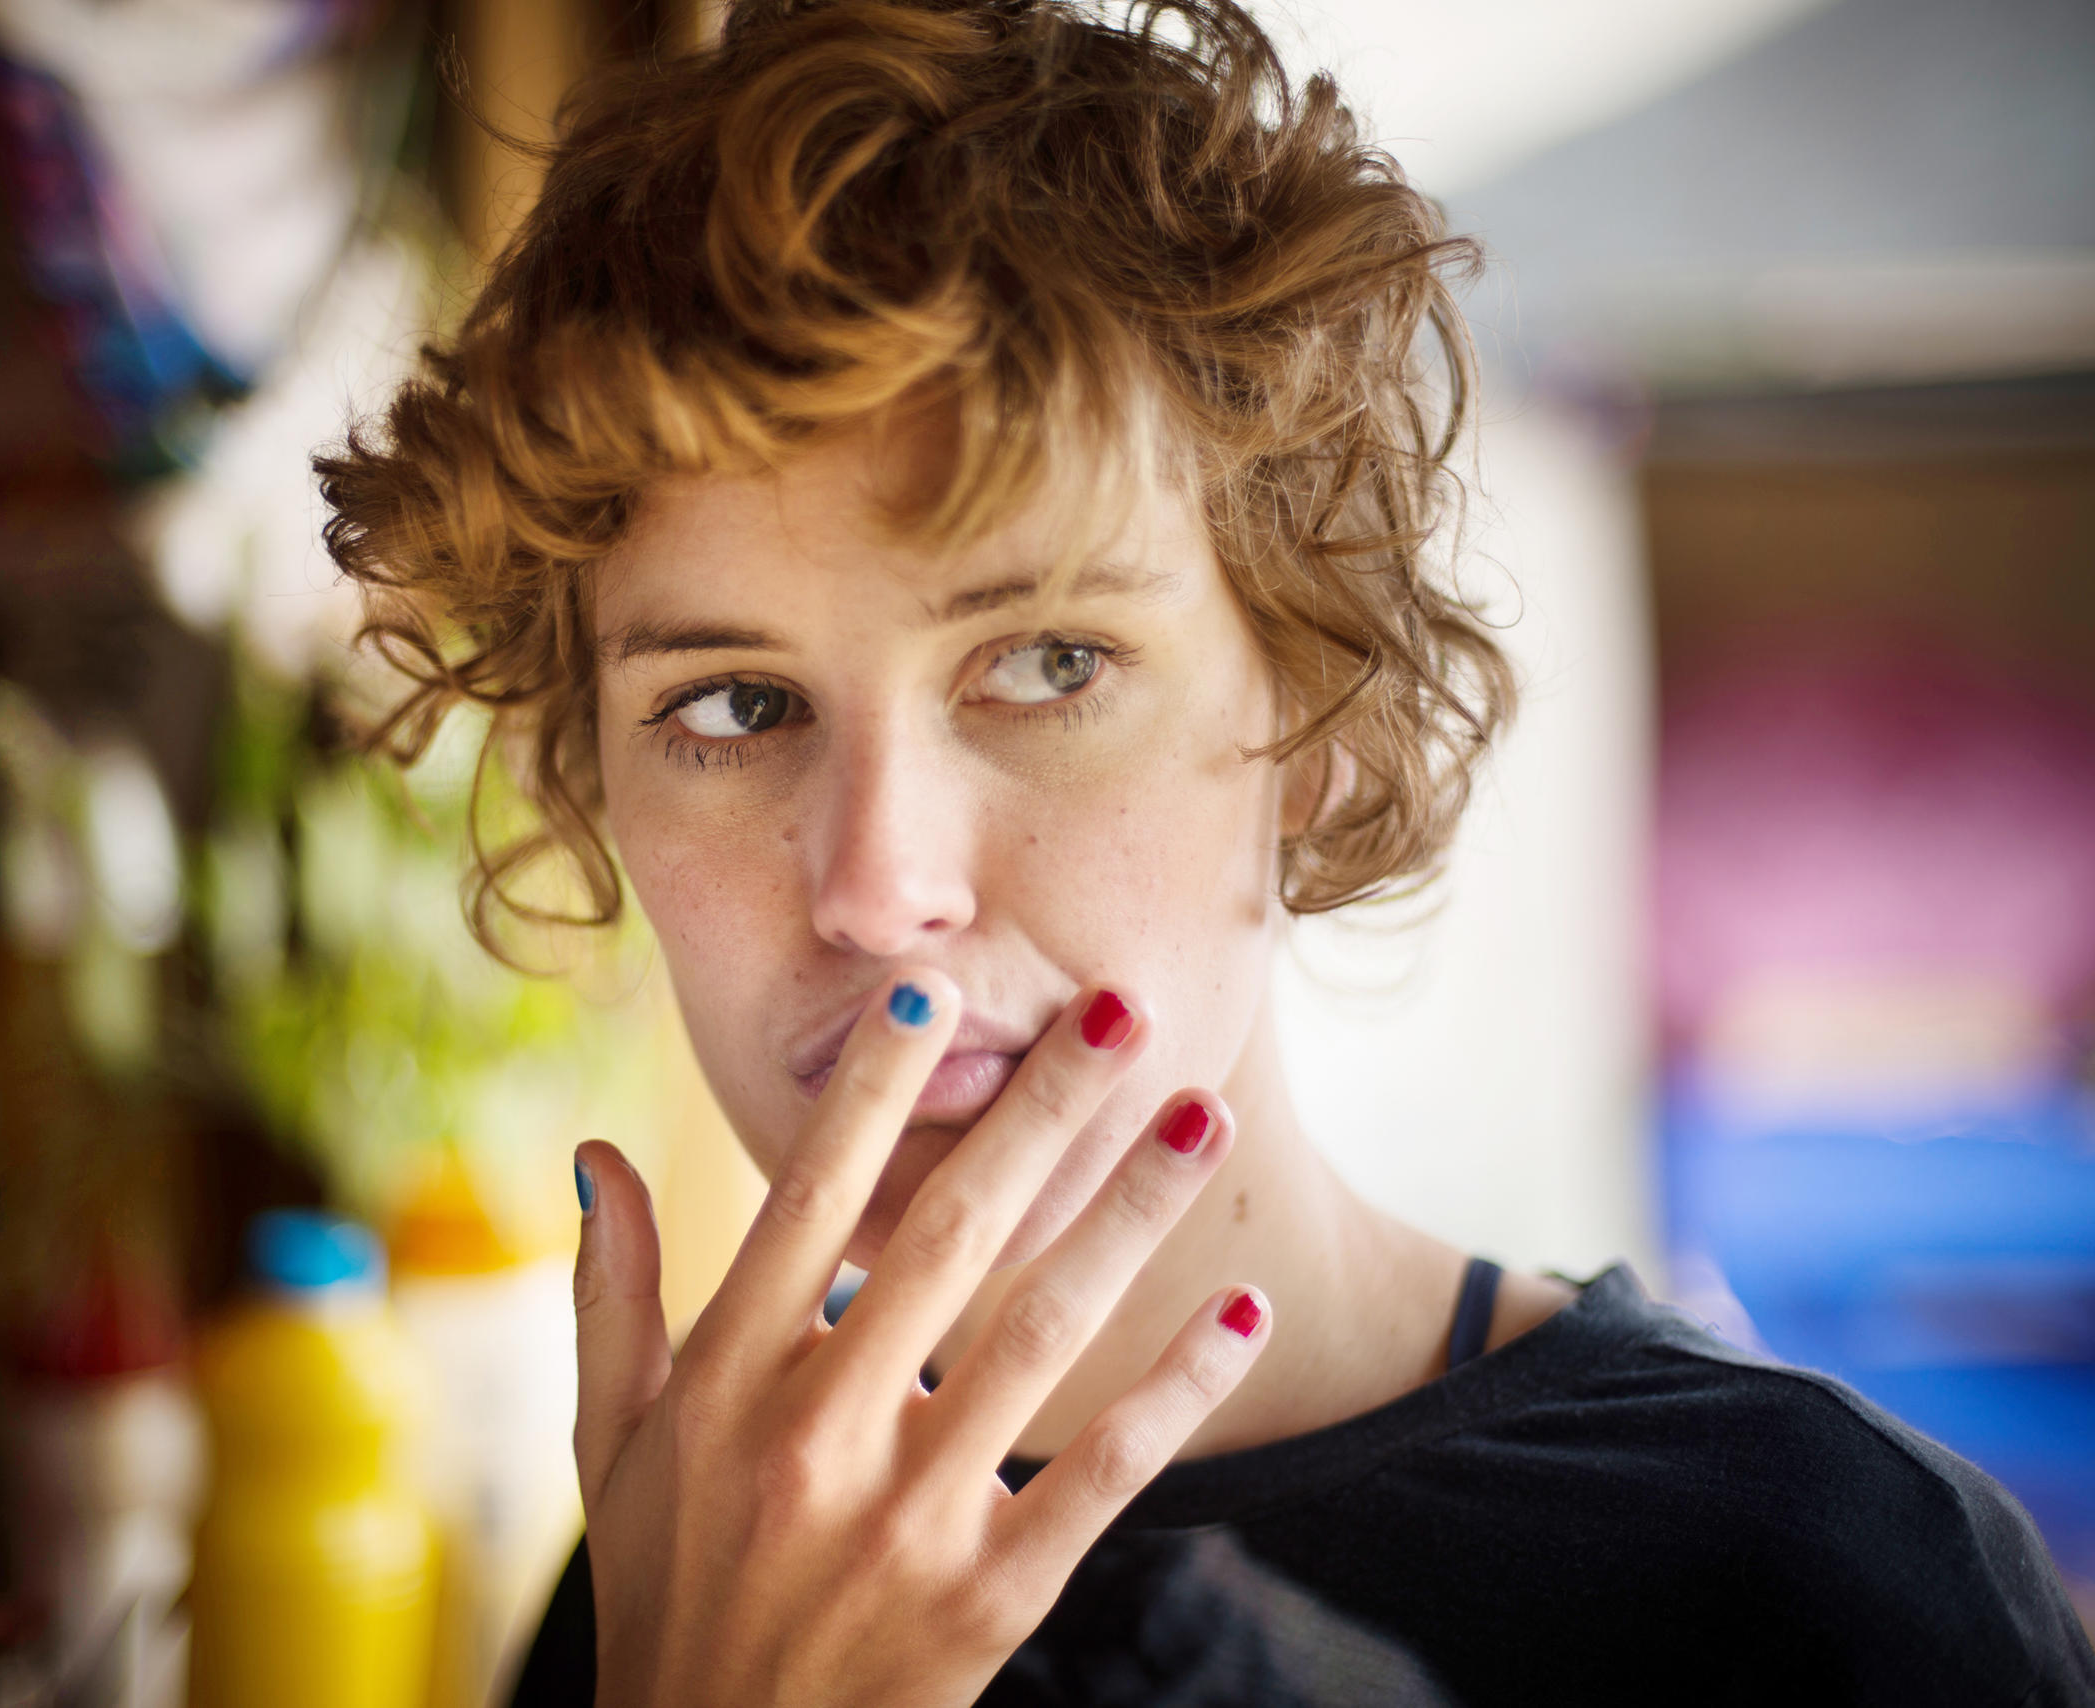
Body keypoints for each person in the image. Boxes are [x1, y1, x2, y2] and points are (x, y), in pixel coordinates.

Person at [316, 1, 2095, 1701]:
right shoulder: (696, 1542)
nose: (875, 885)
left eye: (1049, 663)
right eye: (729, 705)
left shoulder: (1813, 1583)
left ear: (1311, 725)